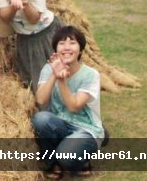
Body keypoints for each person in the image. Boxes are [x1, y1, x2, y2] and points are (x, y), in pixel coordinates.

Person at [32, 26, 104, 179]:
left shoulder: (91, 75)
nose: (66, 48)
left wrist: (61, 80)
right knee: (40, 119)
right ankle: (52, 163)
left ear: (80, 49)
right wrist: (53, 73)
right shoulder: (48, 68)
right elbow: (40, 99)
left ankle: (83, 158)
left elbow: (73, 106)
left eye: (72, 43)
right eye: (61, 43)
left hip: (85, 127)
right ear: (55, 48)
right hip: (60, 124)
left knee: (67, 157)